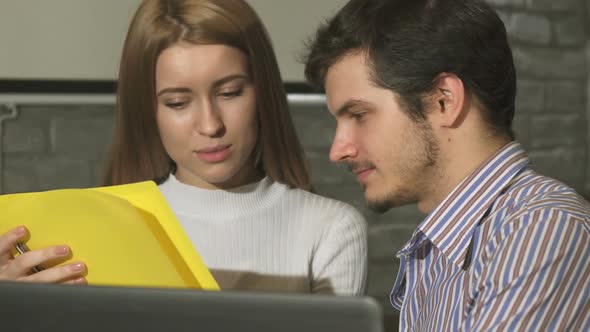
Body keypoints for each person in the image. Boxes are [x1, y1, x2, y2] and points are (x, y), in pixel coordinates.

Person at [0, 0, 367, 296]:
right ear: (148, 110)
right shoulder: (87, 230)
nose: (210, 125)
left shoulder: (329, 229)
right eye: (177, 103)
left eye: (229, 93)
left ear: (263, 93)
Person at [304, 0, 590, 330]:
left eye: (359, 116)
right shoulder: (445, 247)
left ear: (444, 100)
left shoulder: (542, 231)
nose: (338, 150)